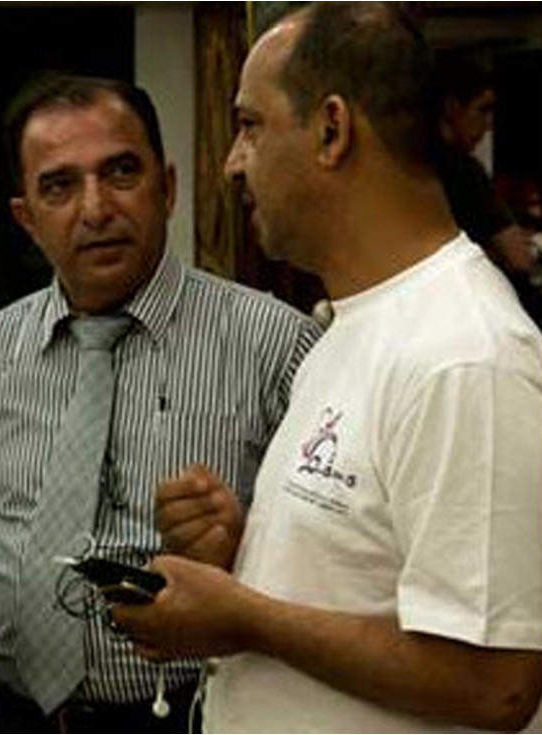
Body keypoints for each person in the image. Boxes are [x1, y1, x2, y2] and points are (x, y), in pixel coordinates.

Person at [112, 4, 542, 732]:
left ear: (332, 130)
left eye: (250, 125)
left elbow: (496, 680)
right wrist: (249, 552)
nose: (231, 162)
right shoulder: (353, 324)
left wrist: (244, 615)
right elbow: (374, 576)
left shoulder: (466, 355)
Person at [0, 73, 320, 732]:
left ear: (167, 189)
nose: (95, 208)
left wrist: (239, 545)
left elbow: (336, 573)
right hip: (17, 717)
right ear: (26, 217)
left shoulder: (278, 348)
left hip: (202, 714)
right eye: (59, 185)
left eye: (121, 173)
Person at [435, 53, 542, 325]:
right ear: (451, 108)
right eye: (482, 110)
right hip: (486, 313)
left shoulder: (411, 166)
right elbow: (519, 257)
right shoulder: (463, 171)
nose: (489, 123)